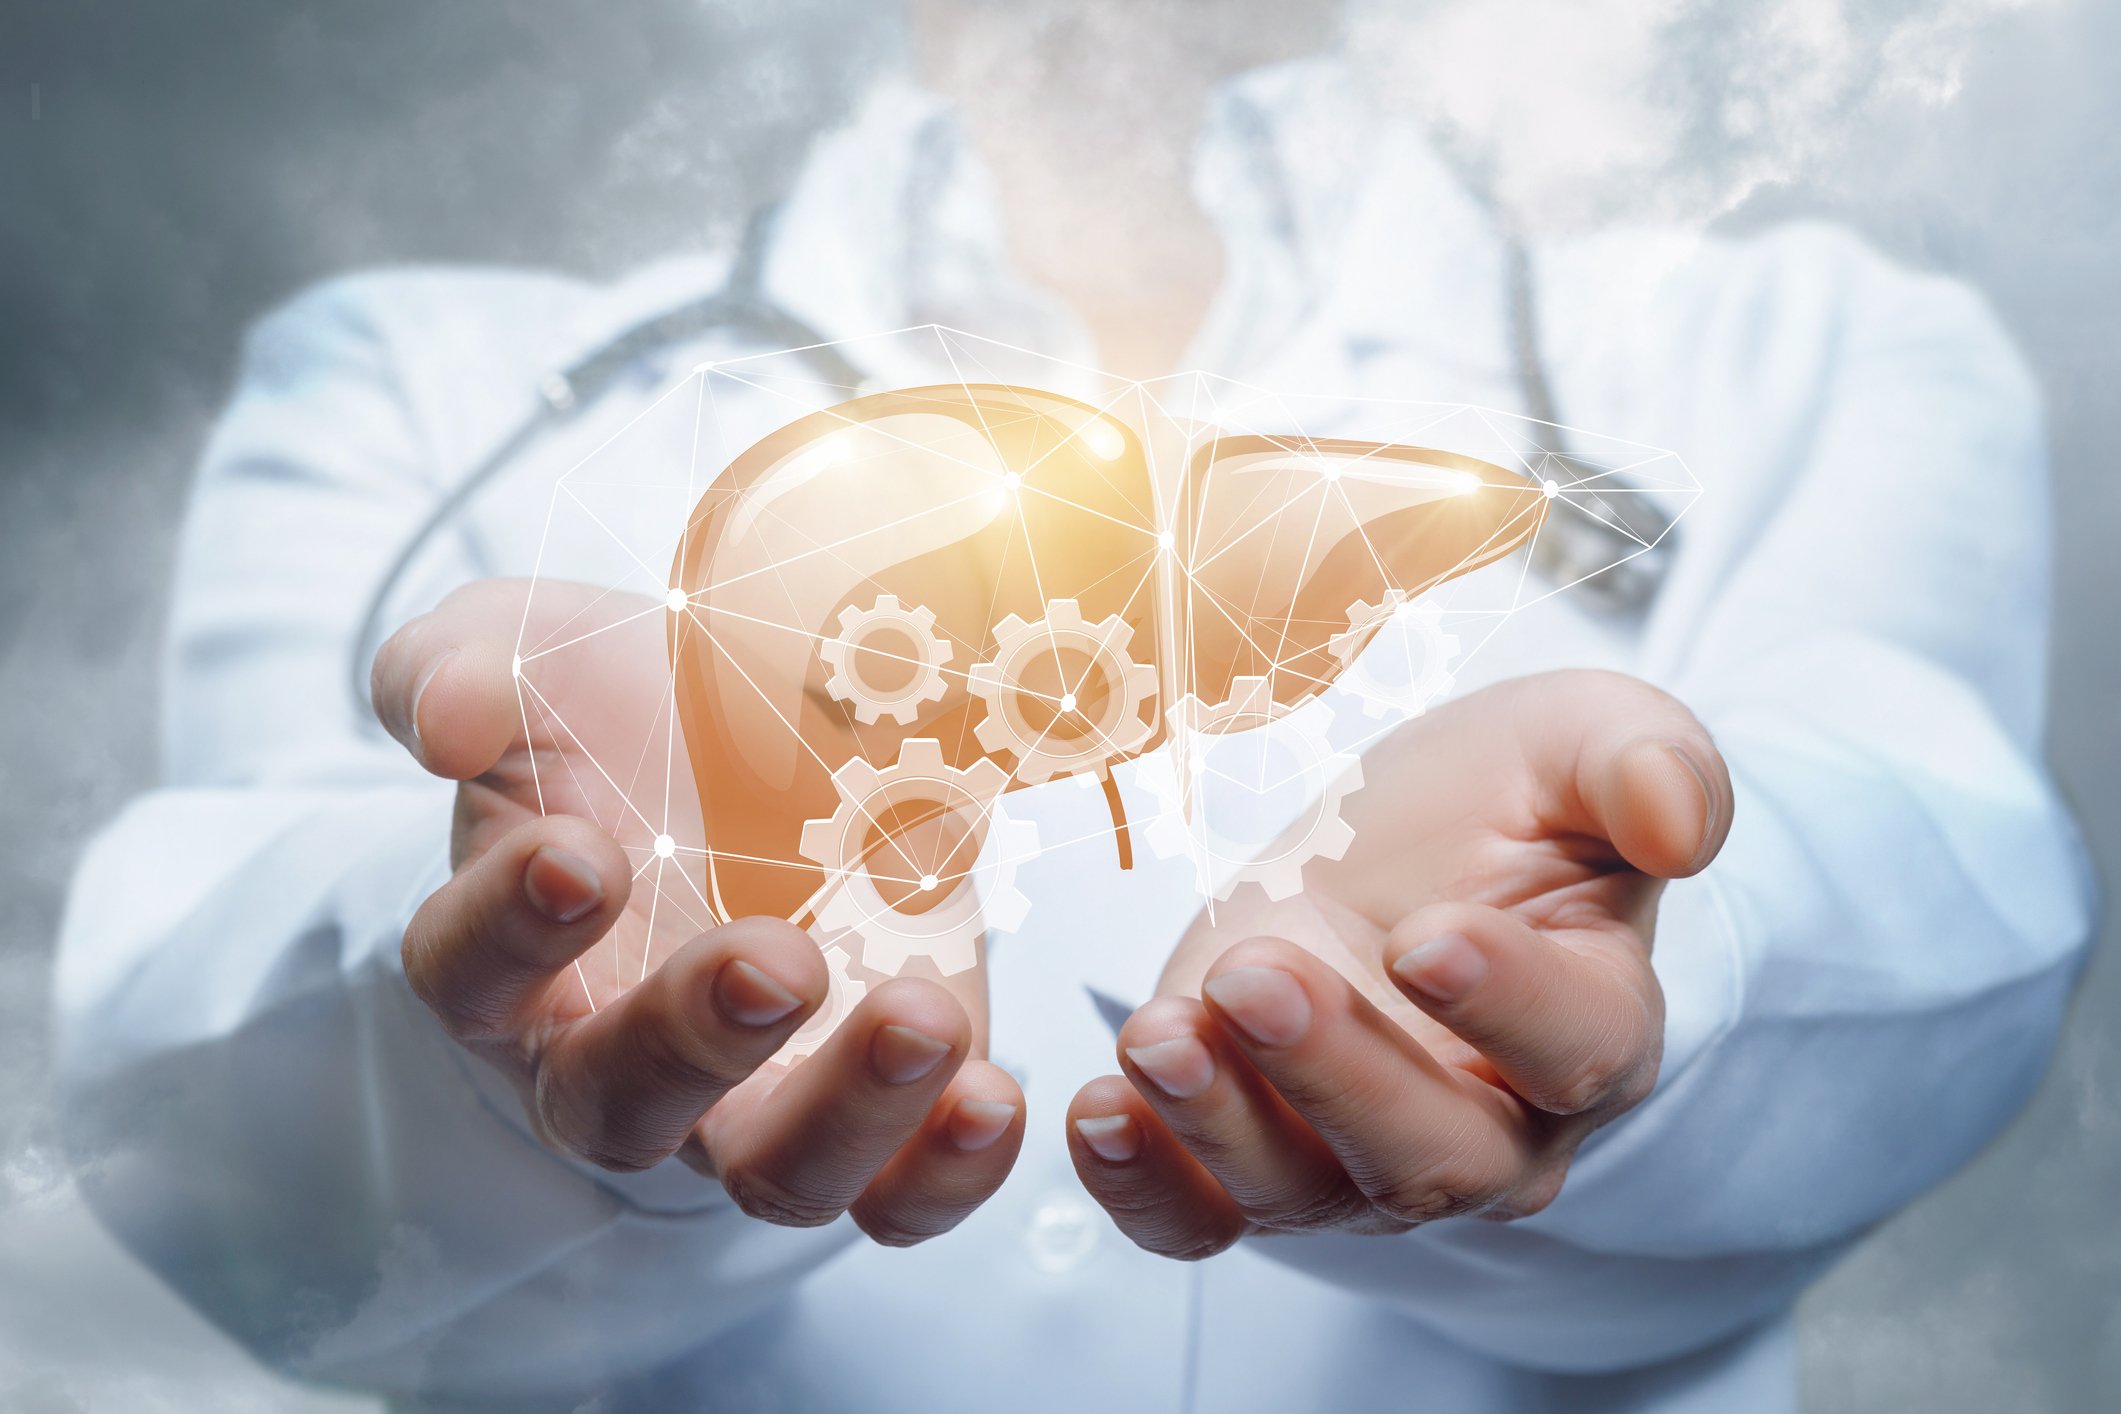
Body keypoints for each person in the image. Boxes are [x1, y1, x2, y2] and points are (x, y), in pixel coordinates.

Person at [54, 2, 2096, 1410]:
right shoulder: (429, 381)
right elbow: (199, 1079)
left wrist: (1663, 961)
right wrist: (505, 1021)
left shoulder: (1808, 349)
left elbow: (1938, 879)